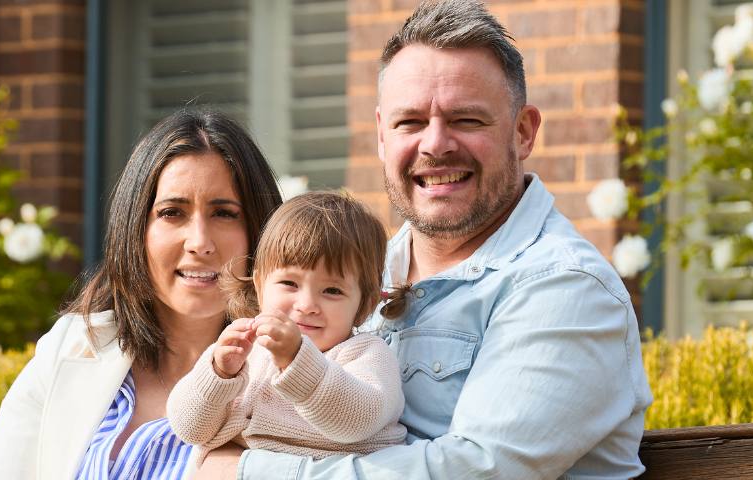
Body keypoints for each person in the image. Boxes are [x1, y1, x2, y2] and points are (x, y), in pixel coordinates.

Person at [204, 1, 654, 478]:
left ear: (523, 132)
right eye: (410, 122)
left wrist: (244, 472)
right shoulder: (361, 271)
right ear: (382, 135)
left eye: (466, 120)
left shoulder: (566, 288)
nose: (435, 145)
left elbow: (476, 470)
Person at [0, 109, 283, 480]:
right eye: (172, 213)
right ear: (136, 229)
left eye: (225, 214)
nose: (200, 242)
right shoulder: (70, 346)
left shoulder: (298, 378)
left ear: (260, 230)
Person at [166, 192, 407, 464]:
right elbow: (188, 428)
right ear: (259, 285)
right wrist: (218, 374)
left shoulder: (366, 354)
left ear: (364, 305)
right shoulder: (244, 351)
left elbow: (357, 419)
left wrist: (297, 361)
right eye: (289, 284)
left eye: (332, 290)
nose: (306, 305)